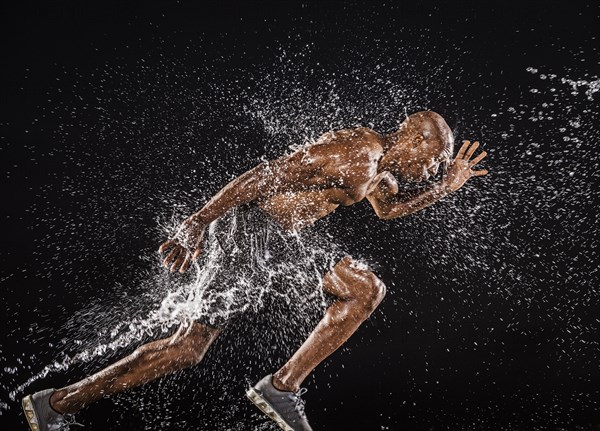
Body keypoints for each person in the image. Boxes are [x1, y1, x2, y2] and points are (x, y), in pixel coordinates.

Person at [22, 111, 488, 431]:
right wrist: (196, 225)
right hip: (251, 232)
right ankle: (57, 403)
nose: (429, 170)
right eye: (432, 160)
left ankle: (280, 386)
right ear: (413, 138)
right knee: (188, 348)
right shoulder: (354, 153)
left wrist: (446, 188)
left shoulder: (380, 175)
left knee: (365, 291)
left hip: (286, 242)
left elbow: (388, 212)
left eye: (436, 168)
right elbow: (260, 177)